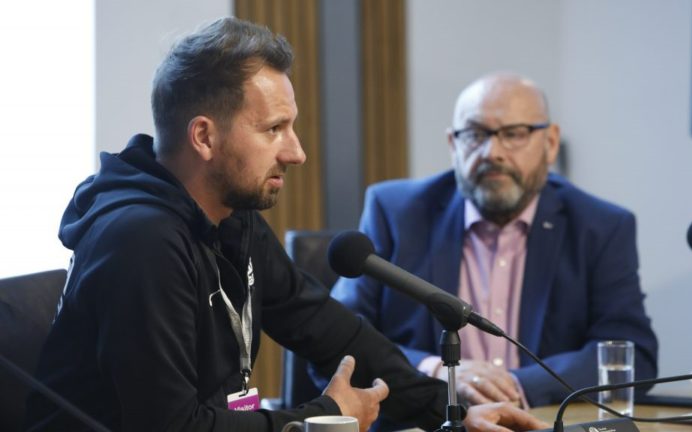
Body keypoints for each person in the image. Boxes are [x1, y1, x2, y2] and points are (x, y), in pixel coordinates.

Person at [25, 19, 548, 432]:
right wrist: (320, 418)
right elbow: (169, 425)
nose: (296, 152)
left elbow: (330, 331)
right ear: (204, 137)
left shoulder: (233, 221)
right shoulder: (139, 242)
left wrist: (451, 411)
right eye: (274, 128)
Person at [332, 72, 659, 408]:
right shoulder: (396, 212)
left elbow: (632, 353)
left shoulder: (600, 226)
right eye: (475, 134)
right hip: (422, 421)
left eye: (514, 134)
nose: (492, 152)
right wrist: (436, 371)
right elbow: (339, 335)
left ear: (550, 143)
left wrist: (518, 386)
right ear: (452, 144)